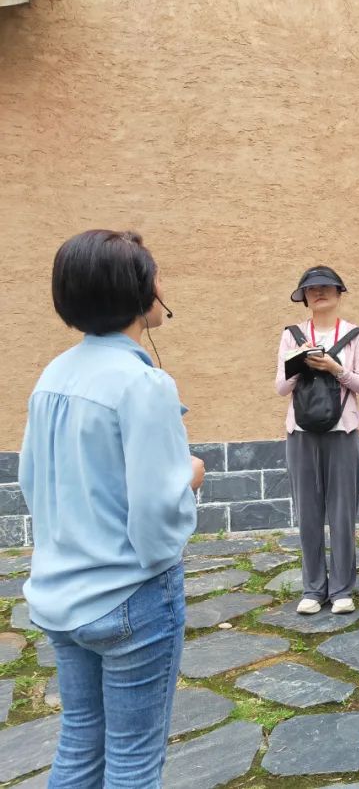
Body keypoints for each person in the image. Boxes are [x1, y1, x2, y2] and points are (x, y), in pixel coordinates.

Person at [19, 230, 202, 786]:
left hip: (60, 593)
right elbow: (157, 519)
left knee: (79, 745)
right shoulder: (144, 383)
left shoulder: (53, 374)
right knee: (133, 762)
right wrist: (190, 478)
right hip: (129, 598)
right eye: (157, 274)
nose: (163, 285)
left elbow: (32, 482)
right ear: (139, 291)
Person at [276, 266, 359, 615]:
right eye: (311, 289)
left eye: (326, 287)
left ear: (339, 292)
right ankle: (313, 589)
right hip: (300, 432)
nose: (318, 293)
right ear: (304, 297)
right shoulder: (292, 335)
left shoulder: (356, 336)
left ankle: (342, 588)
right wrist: (301, 363)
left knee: (343, 512)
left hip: (342, 431)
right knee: (308, 512)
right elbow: (281, 387)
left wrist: (335, 368)